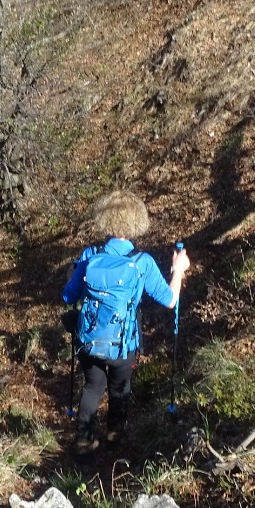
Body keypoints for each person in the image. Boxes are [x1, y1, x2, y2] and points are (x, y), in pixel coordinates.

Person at [62, 191, 189, 456]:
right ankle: (114, 441)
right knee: (120, 389)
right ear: (136, 222)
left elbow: (68, 296)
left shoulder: (89, 254)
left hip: (89, 342)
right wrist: (178, 270)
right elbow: (170, 300)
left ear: (104, 219)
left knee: (93, 387)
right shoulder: (142, 262)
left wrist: (73, 273)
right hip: (123, 345)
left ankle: (84, 442)